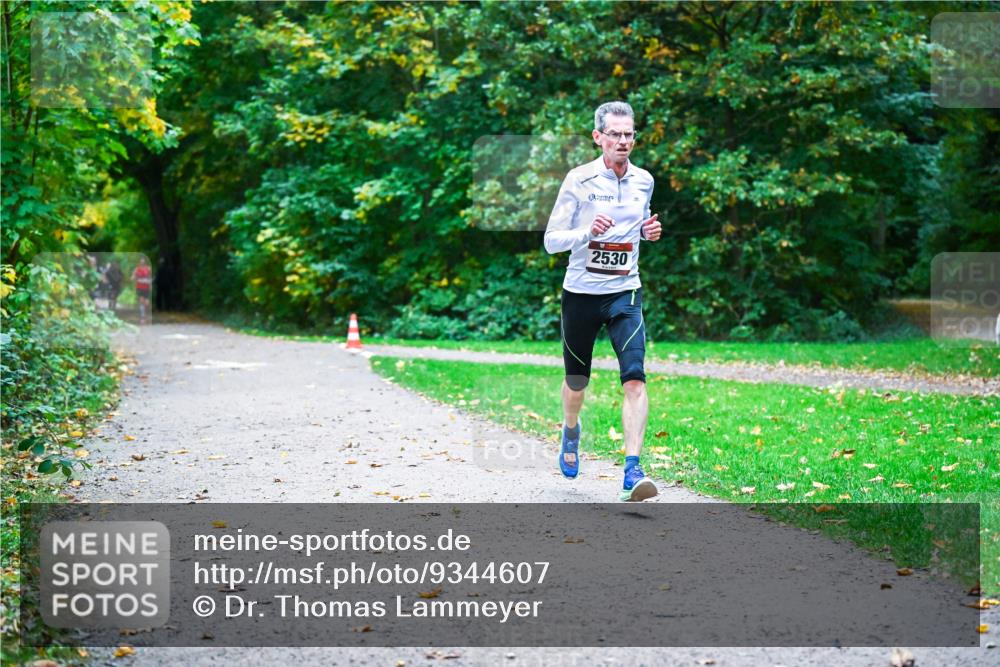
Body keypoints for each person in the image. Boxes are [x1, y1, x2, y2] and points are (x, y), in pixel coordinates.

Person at [543, 100, 662, 502]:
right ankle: (571, 430)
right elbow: (550, 241)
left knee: (634, 377)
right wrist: (585, 232)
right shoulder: (578, 180)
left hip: (625, 291)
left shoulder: (644, 180)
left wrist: (648, 232)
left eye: (629, 134)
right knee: (577, 382)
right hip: (581, 294)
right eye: (616, 134)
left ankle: (633, 469)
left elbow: (637, 226)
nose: (624, 141)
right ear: (598, 137)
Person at [132, 256, 153, 325]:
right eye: (141, 261)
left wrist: (150, 285)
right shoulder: (137, 269)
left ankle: (145, 314)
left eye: (143, 261)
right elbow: (133, 277)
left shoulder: (148, 269)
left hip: (146, 287)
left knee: (147, 302)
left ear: (145, 262)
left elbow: (150, 278)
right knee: (141, 301)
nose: (142, 262)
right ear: (139, 262)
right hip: (139, 287)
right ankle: (142, 316)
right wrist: (134, 278)